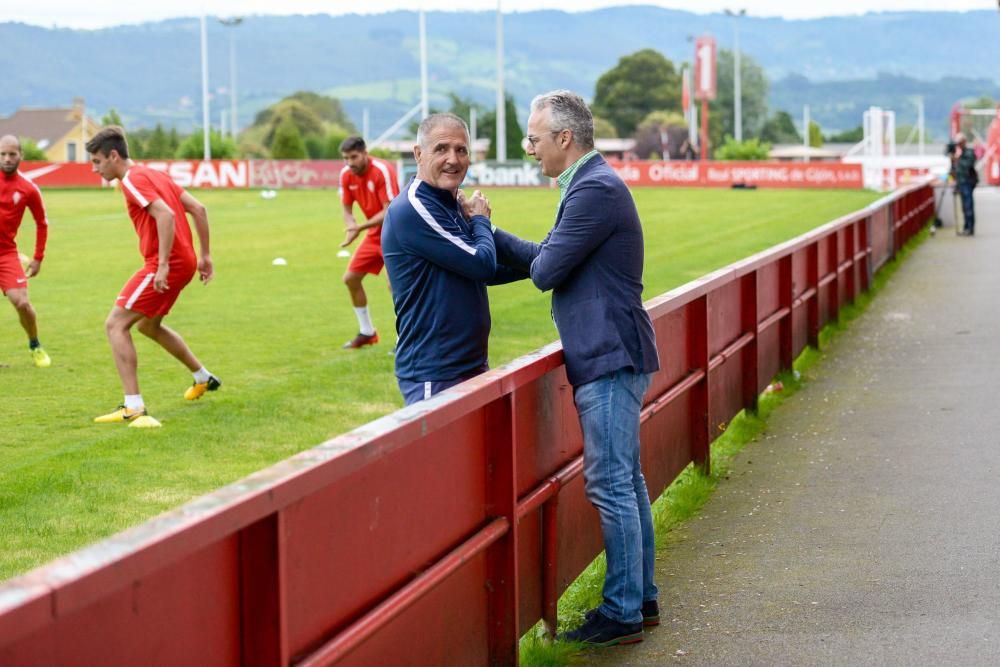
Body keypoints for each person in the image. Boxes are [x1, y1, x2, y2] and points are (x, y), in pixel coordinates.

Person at [491, 90, 661, 647]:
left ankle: (622, 613)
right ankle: (641, 599)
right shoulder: (593, 186)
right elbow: (551, 257)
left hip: (608, 353)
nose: (529, 147)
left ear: (564, 139)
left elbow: (546, 268)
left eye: (534, 138)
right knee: (626, 481)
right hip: (615, 351)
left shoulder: (593, 190)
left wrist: (488, 236)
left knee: (611, 483)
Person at [85, 126, 220, 428]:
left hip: (166, 263)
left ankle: (133, 406)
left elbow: (166, 215)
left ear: (114, 156)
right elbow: (198, 208)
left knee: (115, 324)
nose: (95, 168)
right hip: (183, 262)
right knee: (147, 324)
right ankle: (203, 377)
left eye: (97, 161)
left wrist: (161, 266)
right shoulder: (154, 174)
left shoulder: (131, 180)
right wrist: (205, 256)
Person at [380, 113, 497, 405]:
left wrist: (552, 259)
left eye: (461, 150)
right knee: (443, 453)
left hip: (467, 366)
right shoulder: (415, 207)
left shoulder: (449, 202)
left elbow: (488, 265)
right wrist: (480, 221)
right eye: (441, 149)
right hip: (436, 373)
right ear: (418, 154)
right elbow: (483, 264)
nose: (453, 159)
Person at [337, 136, 399, 349]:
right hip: (374, 235)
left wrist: (359, 228)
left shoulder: (382, 170)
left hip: (396, 234)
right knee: (351, 279)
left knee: (396, 286)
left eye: (353, 157)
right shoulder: (346, 174)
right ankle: (367, 332)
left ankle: (406, 340)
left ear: (364, 153)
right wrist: (351, 224)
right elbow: (346, 207)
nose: (349, 163)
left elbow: (390, 210)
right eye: (346, 158)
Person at [0, 135, 51, 368]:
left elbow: (42, 222)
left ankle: (34, 344)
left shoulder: (28, 188)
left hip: (6, 254)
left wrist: (38, 257)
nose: (7, 159)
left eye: (12, 154)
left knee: (22, 303)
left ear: (21, 155)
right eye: (2, 154)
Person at [951, 133, 977, 236]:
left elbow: (967, 165)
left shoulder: (969, 153)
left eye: (960, 142)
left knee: (968, 205)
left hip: (968, 182)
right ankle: (966, 227)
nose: (958, 145)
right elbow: (955, 170)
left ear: (964, 142)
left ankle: (970, 228)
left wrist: (957, 159)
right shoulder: (959, 154)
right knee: (964, 206)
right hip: (961, 182)